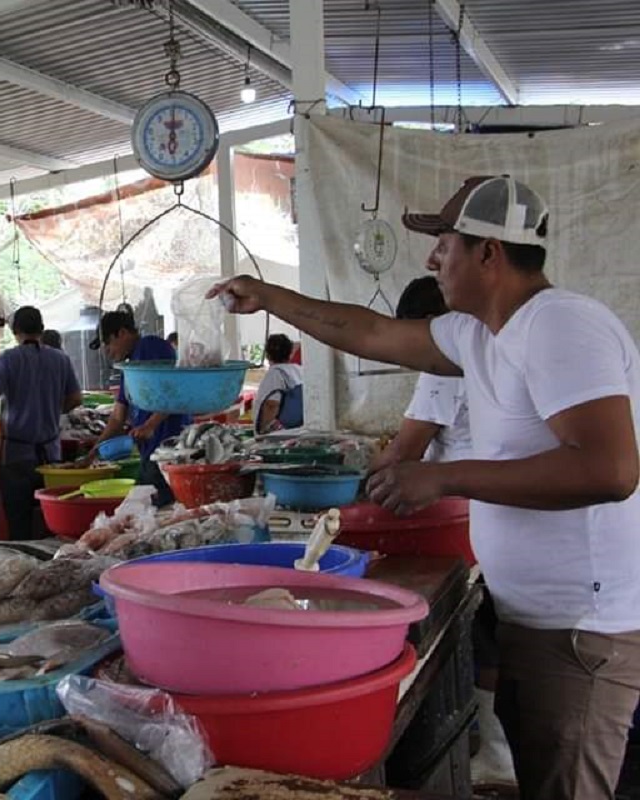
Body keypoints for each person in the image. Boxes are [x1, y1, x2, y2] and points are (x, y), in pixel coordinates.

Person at [209, 175, 640, 800]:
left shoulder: (560, 324)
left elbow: (610, 469)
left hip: (580, 633)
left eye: (445, 243)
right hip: (536, 619)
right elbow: (370, 332)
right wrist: (270, 297)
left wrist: (442, 476)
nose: (433, 259)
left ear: (488, 253)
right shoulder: (480, 334)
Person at [372, 276, 513, 788]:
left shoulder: (445, 366)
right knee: (495, 630)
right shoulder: (492, 349)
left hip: (464, 521)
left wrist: (361, 480)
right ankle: (502, 749)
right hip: (497, 513)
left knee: (484, 635)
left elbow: (404, 451)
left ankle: (499, 756)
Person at [0, 306, 82, 540]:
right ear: (42, 329)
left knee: (20, 524)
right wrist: (51, 409)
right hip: (51, 456)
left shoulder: (6, 360)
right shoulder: (60, 359)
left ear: (15, 331)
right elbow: (76, 398)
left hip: (16, 456)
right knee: (51, 523)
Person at [84, 311, 189, 506]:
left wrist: (150, 425)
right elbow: (117, 418)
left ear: (122, 333)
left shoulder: (150, 346)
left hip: (169, 450)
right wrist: (92, 453)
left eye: (108, 343)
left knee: (148, 509)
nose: (107, 351)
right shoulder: (129, 367)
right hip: (150, 453)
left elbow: (175, 389)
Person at [372, 276, 473, 466]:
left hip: (458, 479)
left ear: (430, 323)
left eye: (407, 334)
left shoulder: (443, 370)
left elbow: (403, 453)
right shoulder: (475, 349)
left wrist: (362, 480)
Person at [254, 333, 304, 434]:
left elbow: (271, 405)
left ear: (267, 355)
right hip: (297, 428)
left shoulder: (275, 373)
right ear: (290, 352)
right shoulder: (299, 370)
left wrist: (264, 431)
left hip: (280, 433)